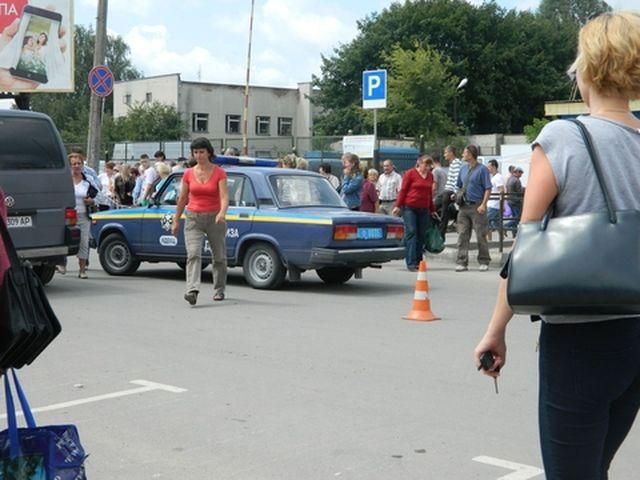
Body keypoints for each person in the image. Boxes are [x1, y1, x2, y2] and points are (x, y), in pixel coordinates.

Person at [474, 12, 640, 479]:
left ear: (587, 66)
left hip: (581, 340)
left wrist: (495, 330)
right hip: (636, 334)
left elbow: (527, 248)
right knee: (596, 465)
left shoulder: (565, 136)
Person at [172, 138, 229, 305]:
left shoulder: (219, 172)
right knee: (193, 254)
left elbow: (225, 197)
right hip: (193, 218)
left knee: (218, 257)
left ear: (209, 152)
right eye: (195, 152)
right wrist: (176, 220)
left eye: (202, 152)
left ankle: (219, 289)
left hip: (214, 218)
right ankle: (192, 290)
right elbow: (182, 198)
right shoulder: (188, 173)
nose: (198, 155)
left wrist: (222, 213)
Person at [392, 155, 438, 271]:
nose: (427, 168)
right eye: (425, 165)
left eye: (429, 165)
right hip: (409, 207)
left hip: (424, 208)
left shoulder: (430, 176)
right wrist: (398, 205)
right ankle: (411, 262)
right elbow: (403, 190)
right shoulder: (410, 173)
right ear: (419, 163)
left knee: (421, 235)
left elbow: (429, 194)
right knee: (411, 233)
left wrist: (432, 210)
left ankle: (419, 261)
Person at [454, 145, 491, 272]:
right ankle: (462, 262)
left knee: (481, 234)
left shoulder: (482, 170)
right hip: (463, 207)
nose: (463, 155)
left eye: (464, 152)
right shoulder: (463, 169)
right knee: (462, 234)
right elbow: (458, 186)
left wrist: (483, 204)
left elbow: (488, 188)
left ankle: (484, 260)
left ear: (471, 154)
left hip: (477, 206)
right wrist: (456, 195)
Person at [68, 152, 98, 279]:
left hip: (84, 215)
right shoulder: (65, 180)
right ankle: (61, 263)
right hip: (68, 216)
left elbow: (98, 195)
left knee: (84, 242)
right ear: (69, 165)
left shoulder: (87, 180)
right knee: (65, 240)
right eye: (74, 164)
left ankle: (82, 270)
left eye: (79, 163)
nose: (76, 166)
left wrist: (92, 201)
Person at [439, 146, 463, 237]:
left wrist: (455, 193)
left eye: (445, 153)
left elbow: (457, 179)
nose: (444, 155)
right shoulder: (452, 163)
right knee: (443, 211)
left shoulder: (456, 163)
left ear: (451, 153)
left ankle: (441, 233)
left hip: (449, 191)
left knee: (443, 213)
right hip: (447, 190)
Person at [486, 159, 505, 236]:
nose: (488, 168)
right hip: (493, 204)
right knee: (496, 223)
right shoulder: (494, 177)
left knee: (486, 221)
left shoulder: (498, 177)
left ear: (494, 167)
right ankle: (502, 237)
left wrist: (501, 203)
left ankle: (489, 240)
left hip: (494, 205)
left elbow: (501, 190)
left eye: (489, 167)